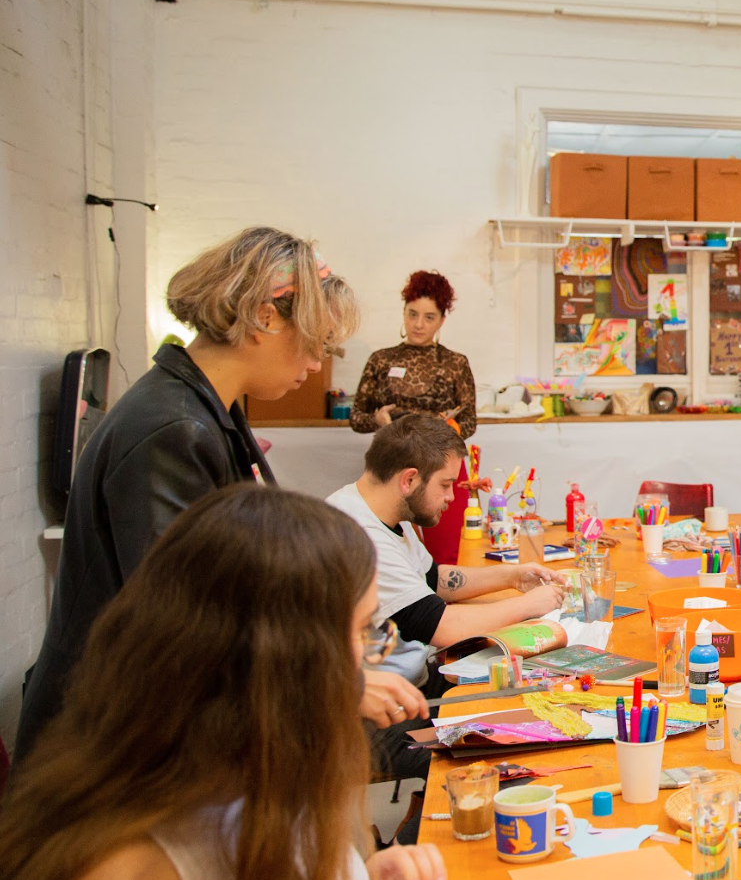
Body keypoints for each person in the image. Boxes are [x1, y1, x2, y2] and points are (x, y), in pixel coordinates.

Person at [16, 227, 422, 762]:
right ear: (264, 316)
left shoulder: (208, 409)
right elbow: (188, 627)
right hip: (112, 752)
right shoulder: (172, 430)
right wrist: (332, 684)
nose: (316, 363)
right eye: (317, 342)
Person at [0, 484, 448, 880]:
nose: (366, 661)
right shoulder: (120, 879)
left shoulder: (267, 771)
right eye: (359, 632)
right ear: (280, 658)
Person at [328, 414, 568, 691]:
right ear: (409, 479)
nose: (451, 497)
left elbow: (434, 579)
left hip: (414, 681)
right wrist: (529, 605)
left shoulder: (382, 509)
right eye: (445, 484)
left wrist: (512, 576)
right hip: (396, 704)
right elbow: (442, 627)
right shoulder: (359, 536)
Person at [348, 270, 479, 564]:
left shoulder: (455, 363)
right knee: (389, 551)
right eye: (412, 314)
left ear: (442, 320)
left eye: (429, 317)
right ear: (404, 312)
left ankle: (447, 608)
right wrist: (378, 420)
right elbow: (357, 416)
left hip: (442, 464)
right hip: (393, 462)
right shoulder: (381, 360)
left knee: (447, 555)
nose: (418, 324)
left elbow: (470, 421)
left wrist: (450, 425)